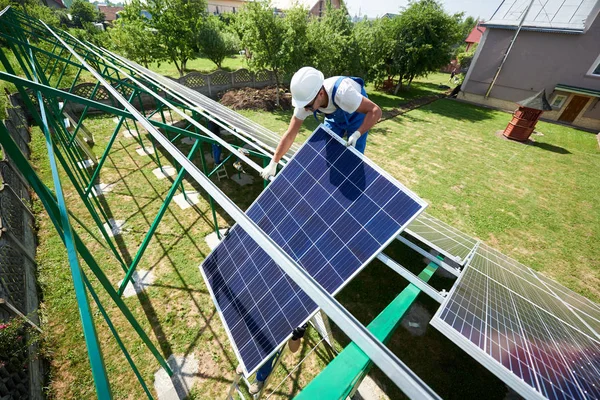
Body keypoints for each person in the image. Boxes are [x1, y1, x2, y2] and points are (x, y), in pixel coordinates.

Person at [260, 67, 382, 180]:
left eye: (308, 105)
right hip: (334, 117)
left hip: (356, 115)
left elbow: (375, 111)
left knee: (353, 159)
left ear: (321, 94)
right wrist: (273, 163)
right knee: (328, 154)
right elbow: (290, 134)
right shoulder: (306, 102)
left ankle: (351, 183)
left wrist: (357, 134)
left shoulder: (344, 93)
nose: (305, 109)